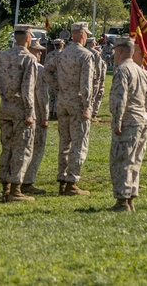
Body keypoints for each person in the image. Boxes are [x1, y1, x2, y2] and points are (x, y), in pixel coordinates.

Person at [45, 21, 94, 196]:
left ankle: (62, 178)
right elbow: (86, 83)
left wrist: (57, 87)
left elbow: (46, 71)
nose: (87, 36)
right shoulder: (85, 55)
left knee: (64, 141)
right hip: (77, 102)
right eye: (86, 33)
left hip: (62, 101)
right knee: (79, 142)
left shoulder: (61, 54)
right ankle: (72, 182)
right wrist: (88, 105)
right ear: (81, 34)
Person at [108, 37, 147, 212]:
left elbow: (120, 99)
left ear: (119, 51)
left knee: (121, 161)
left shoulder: (122, 70)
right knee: (135, 160)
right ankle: (131, 198)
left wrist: (117, 120)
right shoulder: (142, 71)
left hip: (128, 120)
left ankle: (122, 201)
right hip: (142, 120)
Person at [0, 24, 38, 203]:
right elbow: (28, 88)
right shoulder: (29, 58)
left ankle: (5, 186)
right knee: (21, 148)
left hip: (5, 107)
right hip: (21, 109)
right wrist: (30, 112)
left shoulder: (2, 56)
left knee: (7, 147)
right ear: (28, 38)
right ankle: (15, 190)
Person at [21, 39, 50, 196]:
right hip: (36, 113)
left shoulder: (17, 63)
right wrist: (45, 116)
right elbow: (42, 96)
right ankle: (27, 181)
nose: (40, 53)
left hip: (18, 111)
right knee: (36, 147)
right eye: (37, 50)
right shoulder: (39, 69)